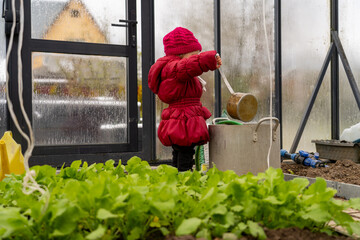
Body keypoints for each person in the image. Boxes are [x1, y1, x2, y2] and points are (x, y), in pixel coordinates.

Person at [148, 27, 222, 171]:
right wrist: (209, 59)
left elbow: (190, 65)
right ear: (180, 54)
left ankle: (177, 176)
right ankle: (184, 177)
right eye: (194, 54)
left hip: (183, 116)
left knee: (181, 150)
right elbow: (190, 65)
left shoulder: (178, 70)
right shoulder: (176, 68)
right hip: (183, 118)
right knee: (185, 151)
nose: (196, 56)